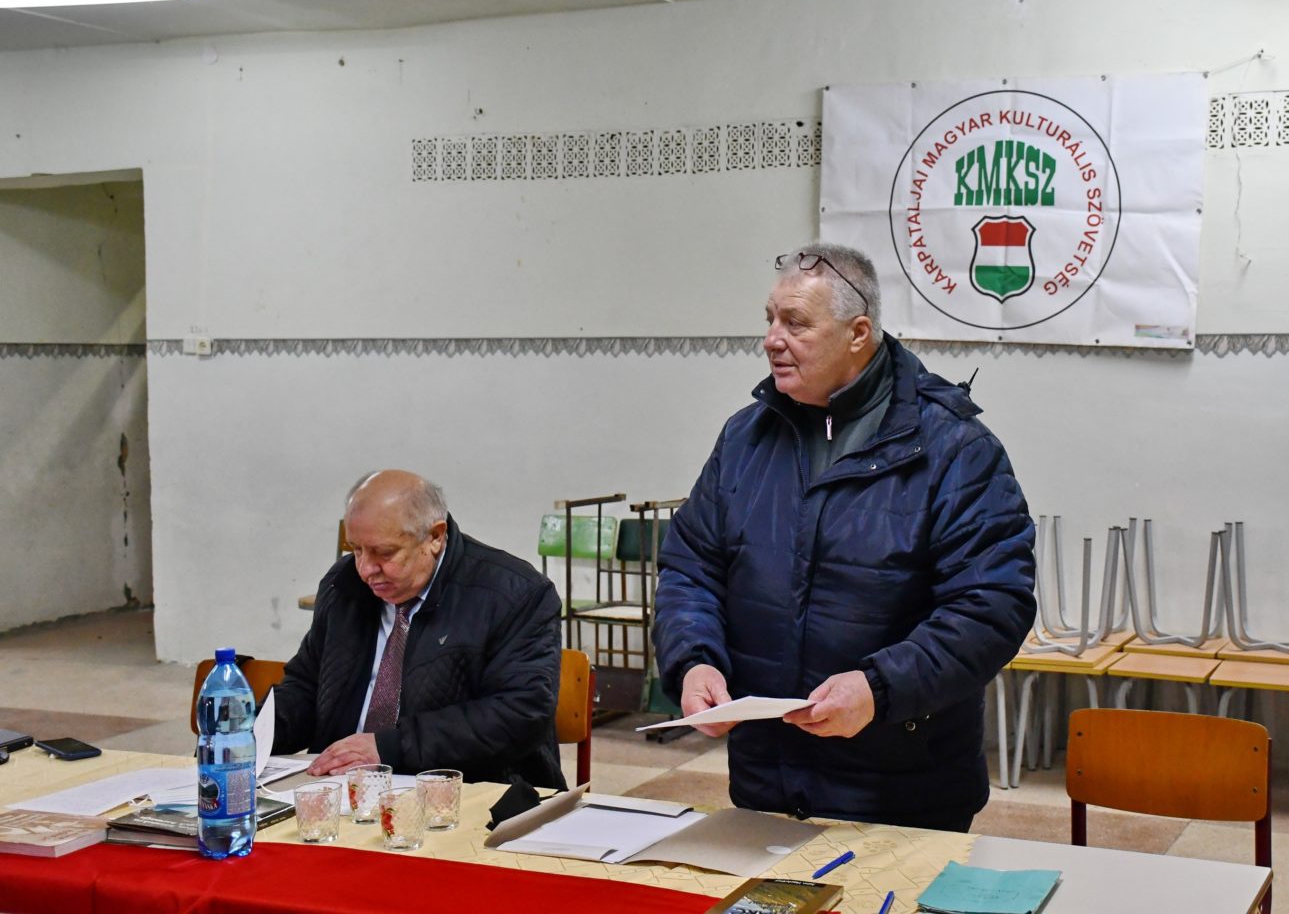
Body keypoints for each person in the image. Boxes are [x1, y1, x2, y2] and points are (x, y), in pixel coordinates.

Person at [653, 243, 1036, 831]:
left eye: (795, 323)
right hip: (767, 782)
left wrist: (879, 689)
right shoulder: (744, 439)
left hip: (904, 792)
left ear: (858, 334)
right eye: (770, 319)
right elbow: (691, 569)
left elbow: (991, 605)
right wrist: (694, 661)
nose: (771, 339)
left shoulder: (954, 448)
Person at [270, 469, 565, 788]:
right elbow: (307, 686)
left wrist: (388, 748)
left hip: (466, 789)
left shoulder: (515, 594)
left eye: (384, 553)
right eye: (356, 549)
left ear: (435, 537)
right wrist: (252, 735)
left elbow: (520, 714)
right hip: (344, 788)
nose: (366, 569)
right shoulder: (344, 586)